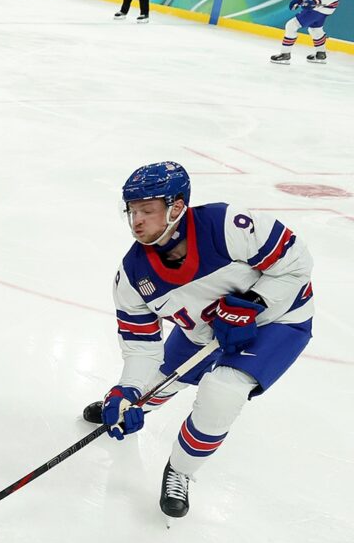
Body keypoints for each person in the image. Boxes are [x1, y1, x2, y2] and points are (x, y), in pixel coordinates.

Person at [80, 162, 312, 519]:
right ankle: (133, 407)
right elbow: (142, 346)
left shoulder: (227, 226)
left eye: (147, 210)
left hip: (277, 320)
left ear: (176, 207)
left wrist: (254, 303)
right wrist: (127, 389)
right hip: (204, 329)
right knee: (152, 383)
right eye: (132, 211)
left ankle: (180, 470)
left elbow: (296, 263)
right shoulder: (131, 276)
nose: (136, 221)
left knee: (222, 391)